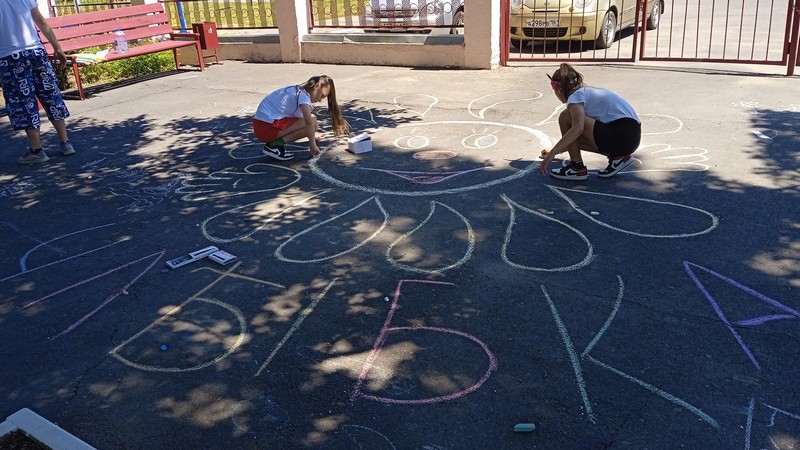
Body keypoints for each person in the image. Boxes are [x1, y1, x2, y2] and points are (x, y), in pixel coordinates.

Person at [0, 0, 75, 164]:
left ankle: (37, 150)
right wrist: (57, 48)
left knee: (24, 102)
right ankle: (65, 143)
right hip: (36, 52)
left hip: (9, 57)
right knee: (51, 95)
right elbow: (41, 22)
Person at [539, 63, 640, 180]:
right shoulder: (586, 93)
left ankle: (576, 168)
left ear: (558, 89)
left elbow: (578, 129)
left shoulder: (575, 98)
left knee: (566, 117)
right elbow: (574, 140)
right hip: (631, 137)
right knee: (574, 136)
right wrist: (557, 151)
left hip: (622, 134)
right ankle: (619, 158)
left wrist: (552, 154)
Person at [253, 75, 350, 161]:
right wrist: (312, 145)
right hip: (265, 128)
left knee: (312, 126)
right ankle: (274, 146)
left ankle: (274, 144)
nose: (320, 100)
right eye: (322, 95)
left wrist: (311, 134)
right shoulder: (303, 97)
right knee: (312, 120)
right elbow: (308, 121)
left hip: (262, 125)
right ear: (317, 86)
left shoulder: (298, 91)